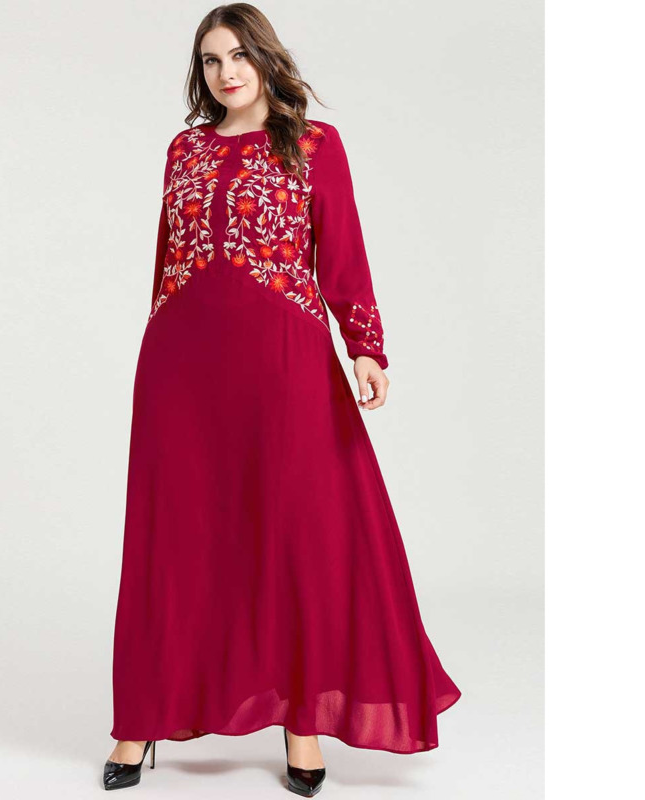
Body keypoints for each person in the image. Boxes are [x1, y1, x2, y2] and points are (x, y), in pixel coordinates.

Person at [103, 3, 462, 794]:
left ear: (266, 59)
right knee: (177, 534)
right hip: (182, 368)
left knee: (297, 533)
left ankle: (304, 720)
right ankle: (140, 719)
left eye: (238, 55)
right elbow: (168, 262)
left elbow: (343, 252)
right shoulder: (185, 150)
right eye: (210, 60)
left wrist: (365, 345)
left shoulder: (313, 144)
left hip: (284, 363)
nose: (226, 72)